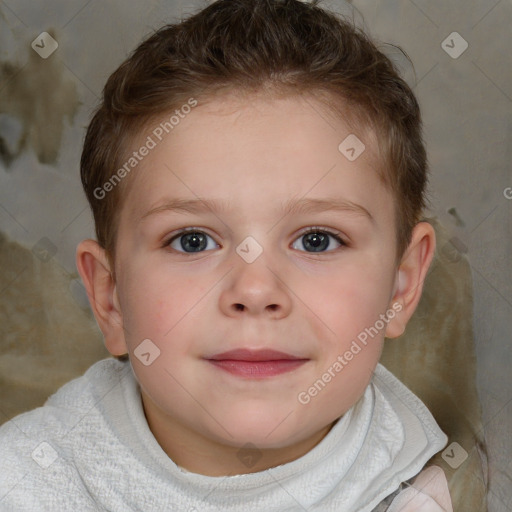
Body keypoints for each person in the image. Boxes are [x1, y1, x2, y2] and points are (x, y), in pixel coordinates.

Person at [0, 0, 454, 510]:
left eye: (317, 240)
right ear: (109, 298)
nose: (255, 291)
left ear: (402, 283)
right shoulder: (21, 484)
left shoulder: (417, 492)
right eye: (192, 240)